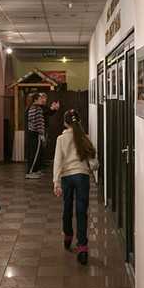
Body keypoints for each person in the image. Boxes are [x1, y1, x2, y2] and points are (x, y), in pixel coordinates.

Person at [53, 109, 99, 264]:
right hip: (82, 176)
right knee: (81, 212)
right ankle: (82, 248)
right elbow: (94, 162)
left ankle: (67, 236)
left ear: (65, 123)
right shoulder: (84, 138)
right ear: (79, 122)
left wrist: (56, 182)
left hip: (66, 177)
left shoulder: (61, 139)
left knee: (67, 208)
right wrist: (92, 165)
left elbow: (58, 161)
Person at [25, 93, 45, 178]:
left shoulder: (31, 108)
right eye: (40, 98)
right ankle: (30, 172)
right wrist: (41, 134)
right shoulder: (38, 109)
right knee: (35, 152)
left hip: (31, 132)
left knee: (35, 151)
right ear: (36, 100)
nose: (42, 100)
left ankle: (35, 170)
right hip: (35, 133)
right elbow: (39, 123)